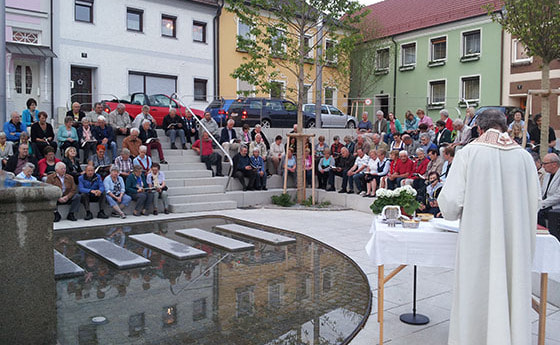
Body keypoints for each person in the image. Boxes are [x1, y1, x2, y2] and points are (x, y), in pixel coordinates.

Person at [437, 108, 540, 345]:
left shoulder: (469, 153)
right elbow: (535, 201)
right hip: (514, 240)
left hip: (479, 240)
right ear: (504, 126)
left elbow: (450, 204)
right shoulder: (524, 156)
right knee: (511, 287)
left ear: (479, 128)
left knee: (477, 291)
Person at [537, 153, 560, 227]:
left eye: (545, 164)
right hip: (545, 204)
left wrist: (542, 204)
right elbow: (542, 192)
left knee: (539, 213)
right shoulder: (547, 175)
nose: (543, 166)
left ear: (554, 164)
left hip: (555, 207)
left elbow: (557, 196)